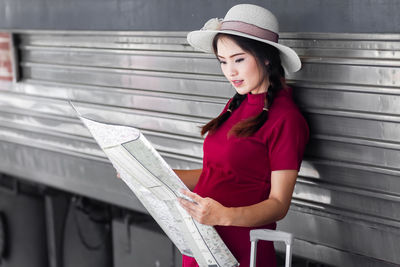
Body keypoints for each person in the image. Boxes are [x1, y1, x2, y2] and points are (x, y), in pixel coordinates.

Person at [174, 4, 309, 267]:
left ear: (266, 57)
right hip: (204, 244)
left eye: (239, 59)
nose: (230, 72)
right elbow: (220, 174)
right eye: (223, 62)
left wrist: (223, 216)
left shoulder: (286, 119)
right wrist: (155, 173)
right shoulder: (236, 104)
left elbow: (279, 203)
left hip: (241, 251)